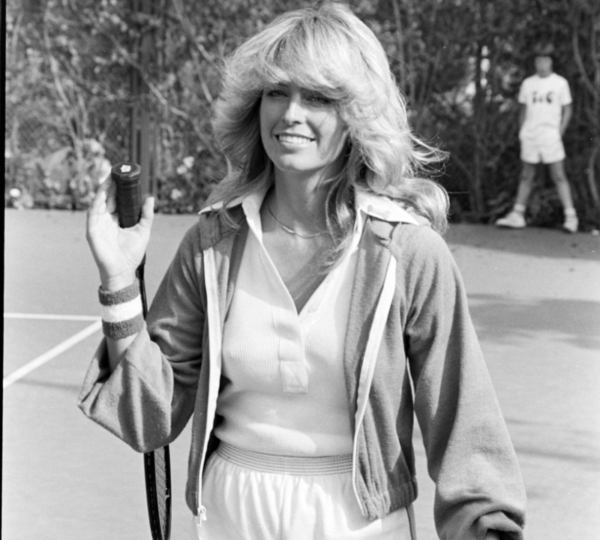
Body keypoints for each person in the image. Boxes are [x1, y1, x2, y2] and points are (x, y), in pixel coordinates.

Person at [80, 3, 526, 539]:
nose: (291, 113)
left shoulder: (408, 252)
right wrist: (119, 281)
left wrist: (487, 525)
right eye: (277, 92)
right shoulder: (213, 243)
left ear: (356, 114)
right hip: (229, 515)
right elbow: (148, 417)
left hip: (360, 520)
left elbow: (462, 415)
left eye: (317, 97)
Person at [495, 42, 578, 233]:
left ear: (551, 62)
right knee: (527, 174)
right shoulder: (528, 84)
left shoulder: (560, 83)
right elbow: (523, 110)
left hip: (550, 135)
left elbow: (568, 109)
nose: (541, 64)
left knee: (558, 175)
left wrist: (559, 131)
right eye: (538, 60)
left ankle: (571, 217)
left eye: (545, 60)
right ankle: (517, 215)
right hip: (531, 135)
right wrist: (522, 132)